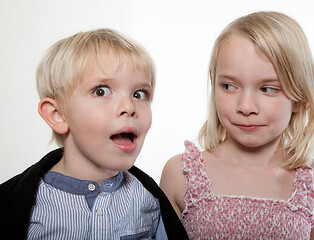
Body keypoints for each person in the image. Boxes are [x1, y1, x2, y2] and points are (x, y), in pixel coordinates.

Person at [0, 28, 188, 239]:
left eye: (139, 94)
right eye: (101, 91)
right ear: (58, 115)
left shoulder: (149, 201)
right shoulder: (21, 206)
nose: (129, 106)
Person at [160, 11, 314, 239]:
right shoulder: (180, 173)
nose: (246, 106)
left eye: (268, 88)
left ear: (300, 98)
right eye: (230, 86)